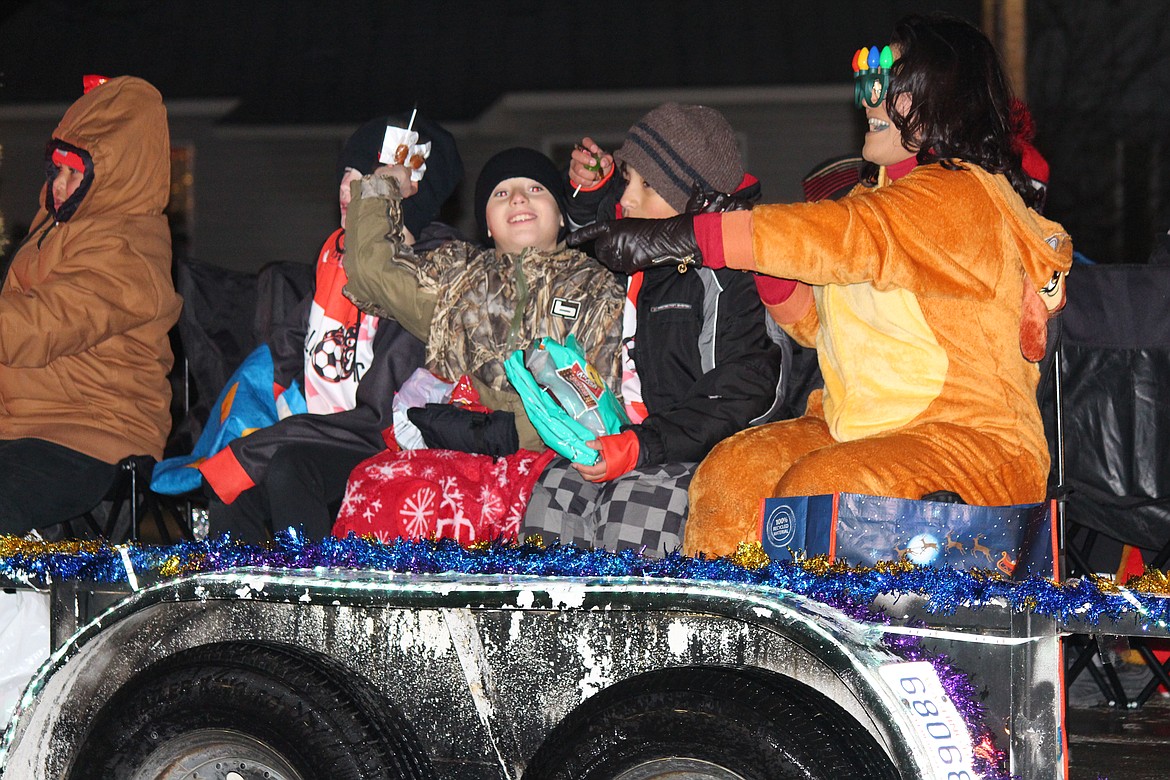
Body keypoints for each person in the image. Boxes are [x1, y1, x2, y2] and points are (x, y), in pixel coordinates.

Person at [573, 14, 1073, 557]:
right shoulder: (872, 202)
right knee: (732, 477)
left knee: (817, 495)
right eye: (865, 79)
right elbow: (816, 325)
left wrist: (687, 235)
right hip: (861, 431)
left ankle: (818, 642)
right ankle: (728, 640)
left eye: (885, 82)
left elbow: (839, 237)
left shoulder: (959, 196)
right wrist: (760, 262)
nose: (868, 98)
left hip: (965, 445)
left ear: (944, 98)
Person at [519, 103, 787, 555]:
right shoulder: (647, 253)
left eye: (646, 185)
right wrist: (595, 189)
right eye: (627, 181)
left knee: (634, 511)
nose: (627, 198)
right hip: (633, 438)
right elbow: (599, 235)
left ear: (693, 196)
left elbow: (743, 392)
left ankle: (633, 628)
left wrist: (642, 447)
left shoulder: (731, 271)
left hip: (700, 450)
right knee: (557, 492)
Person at [200, 113, 463, 544]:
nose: (346, 188)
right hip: (328, 435)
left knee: (284, 465)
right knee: (234, 489)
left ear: (402, 193)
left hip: (392, 444)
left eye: (367, 177)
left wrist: (269, 441)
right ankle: (243, 608)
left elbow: (379, 420)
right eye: (346, 173)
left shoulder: (429, 273)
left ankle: (313, 607)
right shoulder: (336, 257)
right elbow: (293, 335)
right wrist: (281, 397)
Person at [343, 146, 625, 452]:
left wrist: (507, 430)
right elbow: (373, 271)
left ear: (560, 216)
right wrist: (384, 185)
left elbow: (600, 401)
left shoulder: (594, 285)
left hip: (557, 469)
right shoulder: (456, 276)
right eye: (501, 194)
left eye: (535, 188)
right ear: (487, 224)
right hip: (453, 464)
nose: (518, 198)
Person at [0, 76, 182, 535]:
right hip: (25, 423)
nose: (60, 185)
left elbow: (41, 326)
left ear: (113, 175)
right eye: (56, 170)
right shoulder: (59, 228)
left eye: (75, 173)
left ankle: (22, 607)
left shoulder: (127, 249)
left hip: (91, 433)